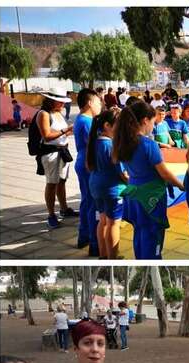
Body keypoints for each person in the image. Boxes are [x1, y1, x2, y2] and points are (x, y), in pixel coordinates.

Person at [115, 102, 185, 259]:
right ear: (145, 120)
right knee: (152, 235)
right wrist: (181, 185)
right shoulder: (148, 145)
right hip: (150, 199)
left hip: (133, 193)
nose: (153, 126)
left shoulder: (123, 142)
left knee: (139, 232)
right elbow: (165, 174)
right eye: (153, 122)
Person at [87, 109, 127, 260]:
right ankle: (113, 258)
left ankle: (103, 255)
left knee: (103, 221)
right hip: (112, 189)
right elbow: (122, 172)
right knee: (113, 224)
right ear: (107, 125)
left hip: (96, 186)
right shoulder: (111, 145)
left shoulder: (95, 141)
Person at [36, 92, 77, 229]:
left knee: (62, 182)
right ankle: (51, 215)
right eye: (60, 102)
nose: (63, 104)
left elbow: (61, 132)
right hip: (51, 153)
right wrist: (66, 130)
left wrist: (72, 130)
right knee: (52, 183)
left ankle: (64, 209)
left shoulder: (57, 113)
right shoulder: (44, 114)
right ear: (51, 101)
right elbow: (47, 135)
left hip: (62, 151)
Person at [73, 88, 102, 256]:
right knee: (93, 204)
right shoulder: (87, 122)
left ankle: (83, 235)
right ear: (90, 103)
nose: (100, 105)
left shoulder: (82, 119)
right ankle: (94, 242)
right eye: (98, 102)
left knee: (86, 201)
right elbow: (97, 144)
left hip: (83, 163)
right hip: (88, 165)